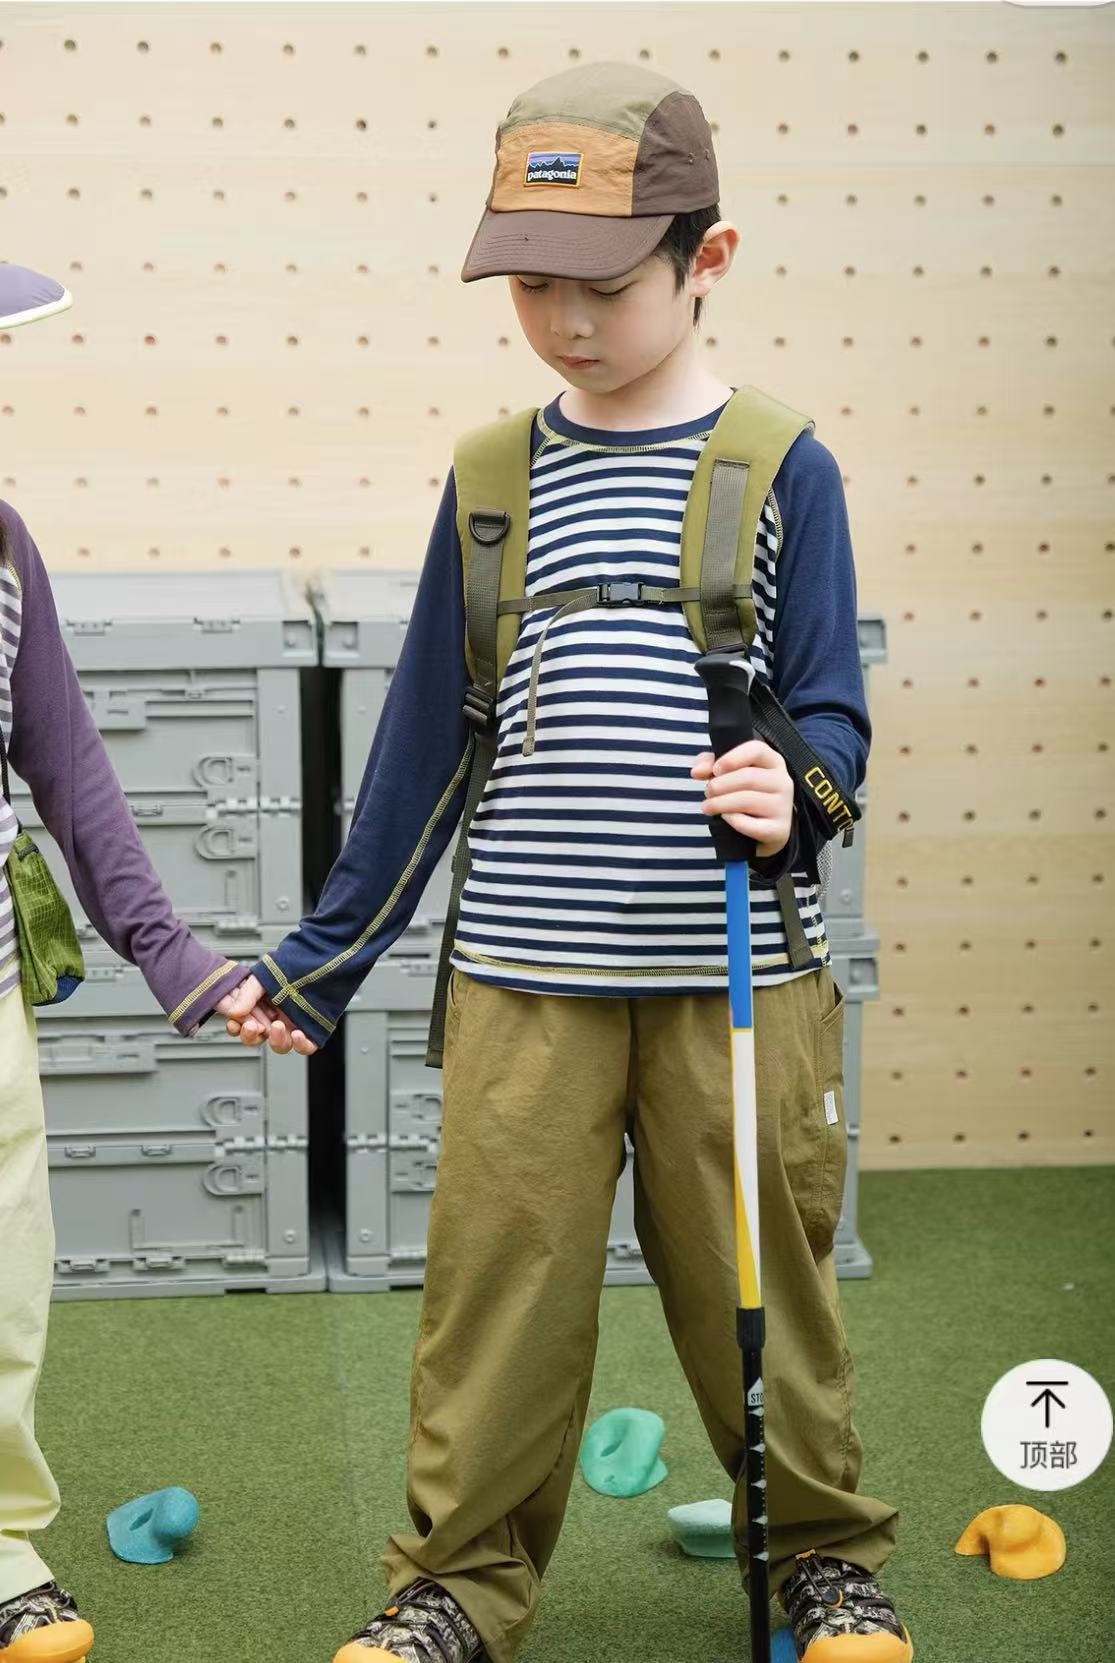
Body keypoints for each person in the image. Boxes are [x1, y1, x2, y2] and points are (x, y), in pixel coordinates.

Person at [223, 61, 913, 1663]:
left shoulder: (784, 466)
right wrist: (320, 965)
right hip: (523, 983)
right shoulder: (490, 481)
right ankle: (452, 1590)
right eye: (532, 284)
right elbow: (420, 748)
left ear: (706, 258)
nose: (566, 319)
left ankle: (821, 1559)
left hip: (737, 982)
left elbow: (833, 712)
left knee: (764, 1290)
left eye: (604, 282)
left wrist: (796, 788)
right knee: (496, 1299)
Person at [0, 263, 257, 1663]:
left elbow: (68, 769)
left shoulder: (1, 543)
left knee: (2, 1282)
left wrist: (179, 961)